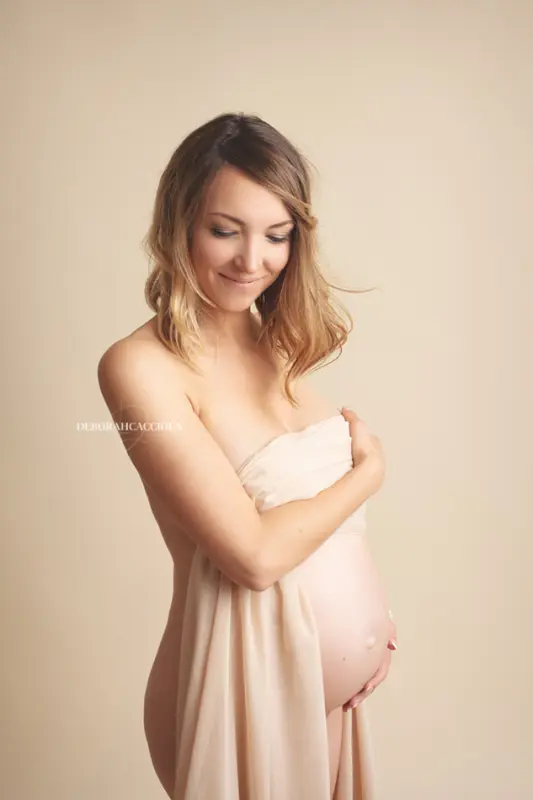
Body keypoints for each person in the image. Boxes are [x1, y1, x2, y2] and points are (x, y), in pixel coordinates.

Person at [97, 112, 397, 800]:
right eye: (224, 230)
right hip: (235, 688)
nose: (251, 260)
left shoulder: (276, 337)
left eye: (276, 235)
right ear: (179, 224)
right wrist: (369, 475)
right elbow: (254, 556)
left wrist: (374, 624)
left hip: (322, 700)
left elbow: (314, 520)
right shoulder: (141, 368)